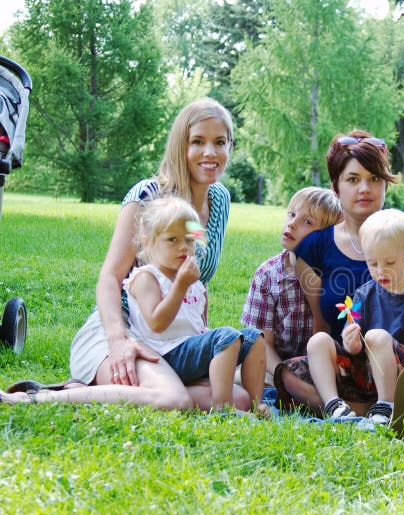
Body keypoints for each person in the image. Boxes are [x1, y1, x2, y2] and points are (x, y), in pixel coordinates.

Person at [2, 98, 240, 409]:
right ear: (180, 146)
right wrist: (118, 342)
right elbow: (111, 277)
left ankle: (94, 388)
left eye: (219, 142)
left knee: (241, 397)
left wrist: (201, 336)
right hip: (124, 326)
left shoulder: (219, 200)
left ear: (230, 147)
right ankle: (38, 397)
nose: (210, 153)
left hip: (171, 339)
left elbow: (195, 276)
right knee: (173, 400)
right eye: (198, 141)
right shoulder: (149, 196)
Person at [274, 130, 404, 433]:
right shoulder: (315, 248)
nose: (365, 188)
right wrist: (342, 346)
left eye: (374, 178)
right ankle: (371, 412)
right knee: (293, 374)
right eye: (353, 179)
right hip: (364, 365)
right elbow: (323, 327)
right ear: (335, 186)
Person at [307, 209, 404, 425]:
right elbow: (354, 337)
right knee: (318, 341)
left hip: (402, 374)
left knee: (377, 336)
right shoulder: (363, 294)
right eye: (373, 263)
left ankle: (386, 406)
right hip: (367, 374)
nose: (380, 271)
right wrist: (350, 341)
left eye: (389, 263)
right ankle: (334, 404)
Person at [123, 196, 267, 414]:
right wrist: (180, 285)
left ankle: (258, 405)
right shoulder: (147, 277)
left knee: (254, 337)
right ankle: (223, 409)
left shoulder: (194, 282)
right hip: (163, 354)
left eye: (189, 240)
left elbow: (197, 326)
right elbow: (156, 323)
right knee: (225, 337)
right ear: (148, 243)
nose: (183, 247)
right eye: (172, 239)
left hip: (188, 352)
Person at [241, 186, 343, 384]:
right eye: (292, 214)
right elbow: (262, 344)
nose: (292, 224)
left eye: (307, 222)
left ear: (325, 236)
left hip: (324, 367)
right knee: (248, 376)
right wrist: (284, 375)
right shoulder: (268, 274)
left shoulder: (336, 276)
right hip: (275, 365)